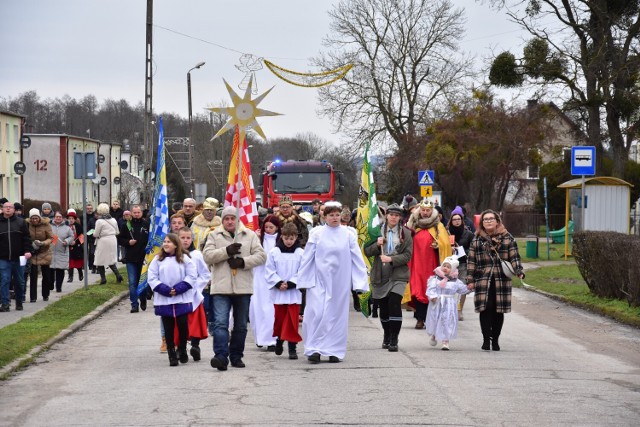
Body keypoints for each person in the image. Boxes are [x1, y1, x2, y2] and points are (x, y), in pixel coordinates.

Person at [296, 201, 369, 363]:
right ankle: (313, 348)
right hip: (319, 280)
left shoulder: (349, 234)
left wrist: (359, 282)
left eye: (337, 215)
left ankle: (334, 349)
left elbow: (357, 259)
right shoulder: (317, 233)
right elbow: (308, 257)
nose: (335, 218)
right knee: (316, 312)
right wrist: (303, 280)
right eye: (331, 215)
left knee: (337, 315)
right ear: (324, 216)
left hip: (339, 282)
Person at [203, 206, 267, 371]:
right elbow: (207, 256)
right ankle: (221, 356)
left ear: (238, 220)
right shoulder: (214, 235)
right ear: (222, 220)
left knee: (240, 326)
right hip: (221, 287)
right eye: (226, 219)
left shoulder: (250, 235)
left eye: (233, 218)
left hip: (242, 287)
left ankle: (236, 356)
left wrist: (243, 262)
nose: (230, 221)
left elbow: (261, 256)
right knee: (220, 324)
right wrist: (226, 251)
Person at [466, 209, 525, 351]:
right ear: (482, 223)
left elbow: (514, 256)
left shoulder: (507, 237)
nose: (488, 221)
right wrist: (470, 279)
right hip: (483, 278)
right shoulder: (477, 239)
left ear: (497, 221)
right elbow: (471, 260)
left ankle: (496, 339)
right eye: (485, 219)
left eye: (491, 219)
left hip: (501, 278)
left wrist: (519, 271)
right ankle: (486, 339)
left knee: (499, 310)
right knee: (485, 309)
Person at [364, 203, 413, 352]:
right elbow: (367, 251)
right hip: (380, 275)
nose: (394, 217)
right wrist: (377, 245)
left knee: (394, 304)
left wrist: (392, 259)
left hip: (398, 275)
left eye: (397, 215)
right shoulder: (376, 231)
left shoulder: (406, 233)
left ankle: (394, 338)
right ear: (386, 215)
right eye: (391, 214)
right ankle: (386, 333)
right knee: (384, 309)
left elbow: (407, 255)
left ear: (400, 218)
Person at [148, 233, 198, 366]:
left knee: (182, 325)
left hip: (181, 297)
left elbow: (192, 275)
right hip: (164, 298)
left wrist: (179, 288)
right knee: (168, 327)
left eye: (169, 242)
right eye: (164, 241)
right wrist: (165, 289)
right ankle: (171, 353)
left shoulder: (185, 258)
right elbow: (152, 277)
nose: (165, 244)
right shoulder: (157, 259)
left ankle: (182, 348)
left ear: (176, 244)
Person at [406, 199, 452, 329]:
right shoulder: (413, 225)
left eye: (428, 210)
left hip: (432, 264)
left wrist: (439, 245)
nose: (425, 213)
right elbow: (405, 240)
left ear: (432, 211)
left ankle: (428, 318)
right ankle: (419, 318)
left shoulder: (438, 226)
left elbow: (446, 244)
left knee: (430, 289)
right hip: (416, 263)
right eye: (423, 210)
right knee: (417, 288)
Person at [265, 222, 304, 360]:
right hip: (279, 293)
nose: (289, 241)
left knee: (292, 321)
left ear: (296, 238)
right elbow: (269, 270)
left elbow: (303, 271)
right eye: (286, 238)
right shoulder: (274, 252)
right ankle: (280, 340)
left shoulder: (300, 253)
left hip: (293, 292)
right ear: (281, 237)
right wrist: (278, 283)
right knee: (280, 320)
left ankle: (292, 348)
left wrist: (292, 283)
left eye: (292, 238)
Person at [177, 227, 211, 362]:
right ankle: (181, 347)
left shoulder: (196, 255)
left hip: (193, 294)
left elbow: (205, 274)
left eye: (188, 238)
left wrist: (197, 285)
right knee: (180, 322)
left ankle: (195, 346)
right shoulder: (174, 255)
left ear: (192, 239)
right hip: (178, 294)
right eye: (182, 238)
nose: (185, 241)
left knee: (195, 321)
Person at [249, 214, 281, 351]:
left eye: (271, 227)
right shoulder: (257, 239)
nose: (268, 230)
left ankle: (272, 339)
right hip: (258, 276)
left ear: (277, 227)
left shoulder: (280, 241)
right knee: (257, 308)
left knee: (270, 310)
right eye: (266, 227)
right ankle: (260, 338)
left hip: (273, 278)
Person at [426, 256, 470, 350]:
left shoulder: (455, 281)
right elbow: (431, 288)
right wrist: (432, 296)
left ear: (453, 269)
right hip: (437, 303)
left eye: (448, 267)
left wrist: (469, 287)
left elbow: (462, 289)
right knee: (436, 319)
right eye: (444, 266)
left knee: (447, 321)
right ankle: (434, 334)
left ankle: (445, 341)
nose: (445, 268)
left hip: (449, 304)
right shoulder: (435, 279)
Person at [0, 201, 32, 311]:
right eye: (6, 207)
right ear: (2, 209)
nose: (8, 209)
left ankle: (19, 302)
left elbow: (27, 238)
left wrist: (27, 250)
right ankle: (5, 304)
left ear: (14, 209)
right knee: (4, 280)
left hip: (19, 258)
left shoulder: (21, 222)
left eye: (10, 207)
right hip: (3, 258)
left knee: (19, 281)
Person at [118, 205, 149, 313]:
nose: (136, 214)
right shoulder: (126, 225)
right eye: (134, 212)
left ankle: (143, 298)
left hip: (143, 258)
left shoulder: (146, 224)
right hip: (131, 258)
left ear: (141, 213)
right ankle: (134, 304)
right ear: (131, 213)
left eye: (138, 212)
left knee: (143, 281)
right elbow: (120, 239)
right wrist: (128, 242)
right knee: (132, 282)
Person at [447, 206, 474, 321]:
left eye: (459, 219)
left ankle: (459, 310)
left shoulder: (468, 233)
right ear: (451, 220)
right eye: (454, 219)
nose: (457, 221)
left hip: (463, 263)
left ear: (462, 220)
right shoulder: (446, 232)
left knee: (462, 286)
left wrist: (461, 250)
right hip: (449, 264)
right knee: (449, 287)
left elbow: (472, 248)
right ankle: (448, 310)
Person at [27, 209, 53, 303]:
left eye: (36, 218)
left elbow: (51, 238)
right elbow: (25, 237)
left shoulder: (46, 224)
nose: (34, 220)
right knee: (33, 275)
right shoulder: (27, 225)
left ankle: (45, 295)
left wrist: (43, 243)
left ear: (39, 217)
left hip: (44, 251)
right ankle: (33, 297)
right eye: (32, 218)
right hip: (33, 252)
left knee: (46, 275)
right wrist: (31, 244)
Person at [93, 203, 123, 284]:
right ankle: (118, 275)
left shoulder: (99, 221)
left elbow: (96, 234)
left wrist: (94, 234)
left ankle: (103, 278)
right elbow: (117, 231)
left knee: (100, 259)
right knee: (111, 258)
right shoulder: (113, 220)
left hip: (103, 240)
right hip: (113, 239)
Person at [49, 211, 74, 292]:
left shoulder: (67, 228)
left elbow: (71, 236)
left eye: (60, 217)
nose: (58, 218)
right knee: (50, 270)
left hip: (62, 251)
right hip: (51, 251)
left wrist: (67, 241)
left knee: (60, 270)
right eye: (57, 217)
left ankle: (59, 287)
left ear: (62, 218)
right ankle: (51, 284)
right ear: (54, 217)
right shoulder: (49, 226)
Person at [66, 211, 84, 282]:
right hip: (69, 246)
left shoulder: (78, 226)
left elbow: (82, 237)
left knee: (77, 262)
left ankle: (80, 273)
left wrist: (76, 242)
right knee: (70, 263)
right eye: (69, 218)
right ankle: (70, 277)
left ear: (75, 219)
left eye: (72, 218)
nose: (71, 220)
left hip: (77, 247)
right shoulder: (66, 226)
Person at [84, 203, 97, 273]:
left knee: (92, 252)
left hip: (93, 237)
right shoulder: (83, 216)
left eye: (90, 208)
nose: (89, 210)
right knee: (85, 251)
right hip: (85, 235)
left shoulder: (94, 217)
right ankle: (86, 265)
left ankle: (92, 266)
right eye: (88, 209)